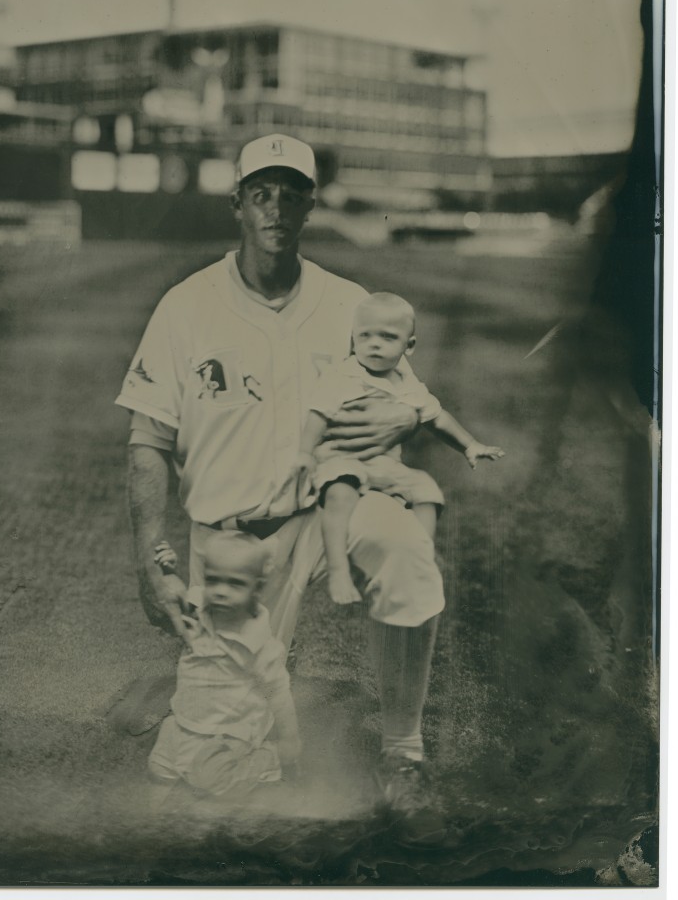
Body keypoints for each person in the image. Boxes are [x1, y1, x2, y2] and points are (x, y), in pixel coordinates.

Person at [117, 133, 449, 829]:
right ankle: (200, 708)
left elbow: (405, 408)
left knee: (405, 549)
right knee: (211, 783)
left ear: (309, 204)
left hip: (330, 508)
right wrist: (153, 556)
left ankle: (403, 757)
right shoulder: (187, 306)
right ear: (237, 203)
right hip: (232, 544)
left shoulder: (350, 305)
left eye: (291, 193)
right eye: (261, 193)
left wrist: (394, 425)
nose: (276, 208)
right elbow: (148, 439)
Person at [295, 291, 505, 606]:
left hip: (385, 466)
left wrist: (470, 445)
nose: (374, 344)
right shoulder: (343, 375)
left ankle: (421, 560)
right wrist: (303, 453)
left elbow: (438, 418)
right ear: (353, 340)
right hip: (341, 458)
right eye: (365, 336)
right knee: (341, 491)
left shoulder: (407, 385)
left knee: (426, 490)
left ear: (409, 346)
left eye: (388, 337)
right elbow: (317, 415)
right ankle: (339, 570)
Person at [147, 532, 301, 799]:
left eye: (235, 584)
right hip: (184, 720)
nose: (220, 591)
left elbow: (276, 692)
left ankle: (267, 759)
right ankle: (157, 828)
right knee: (159, 769)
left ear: (257, 588)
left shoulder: (259, 644)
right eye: (213, 580)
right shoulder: (199, 611)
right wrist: (168, 571)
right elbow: (174, 604)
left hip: (229, 733)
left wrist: (289, 739)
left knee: (214, 782)